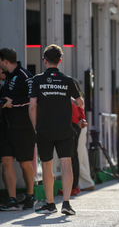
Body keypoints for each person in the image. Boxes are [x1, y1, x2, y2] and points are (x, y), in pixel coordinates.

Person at [29, 44, 83, 215]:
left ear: (45, 61)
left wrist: (35, 128)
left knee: (47, 166)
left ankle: (50, 204)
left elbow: (31, 107)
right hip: (64, 129)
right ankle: (66, 204)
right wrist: (69, 99)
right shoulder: (68, 81)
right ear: (60, 61)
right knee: (67, 164)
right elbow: (80, 102)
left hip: (44, 129)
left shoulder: (37, 80)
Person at [0, 48, 37, 211]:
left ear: (5, 61)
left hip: (23, 128)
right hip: (6, 128)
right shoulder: (7, 78)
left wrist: (12, 103)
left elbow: (32, 100)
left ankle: (30, 195)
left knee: (24, 163)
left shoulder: (25, 75)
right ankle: (12, 199)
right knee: (6, 161)